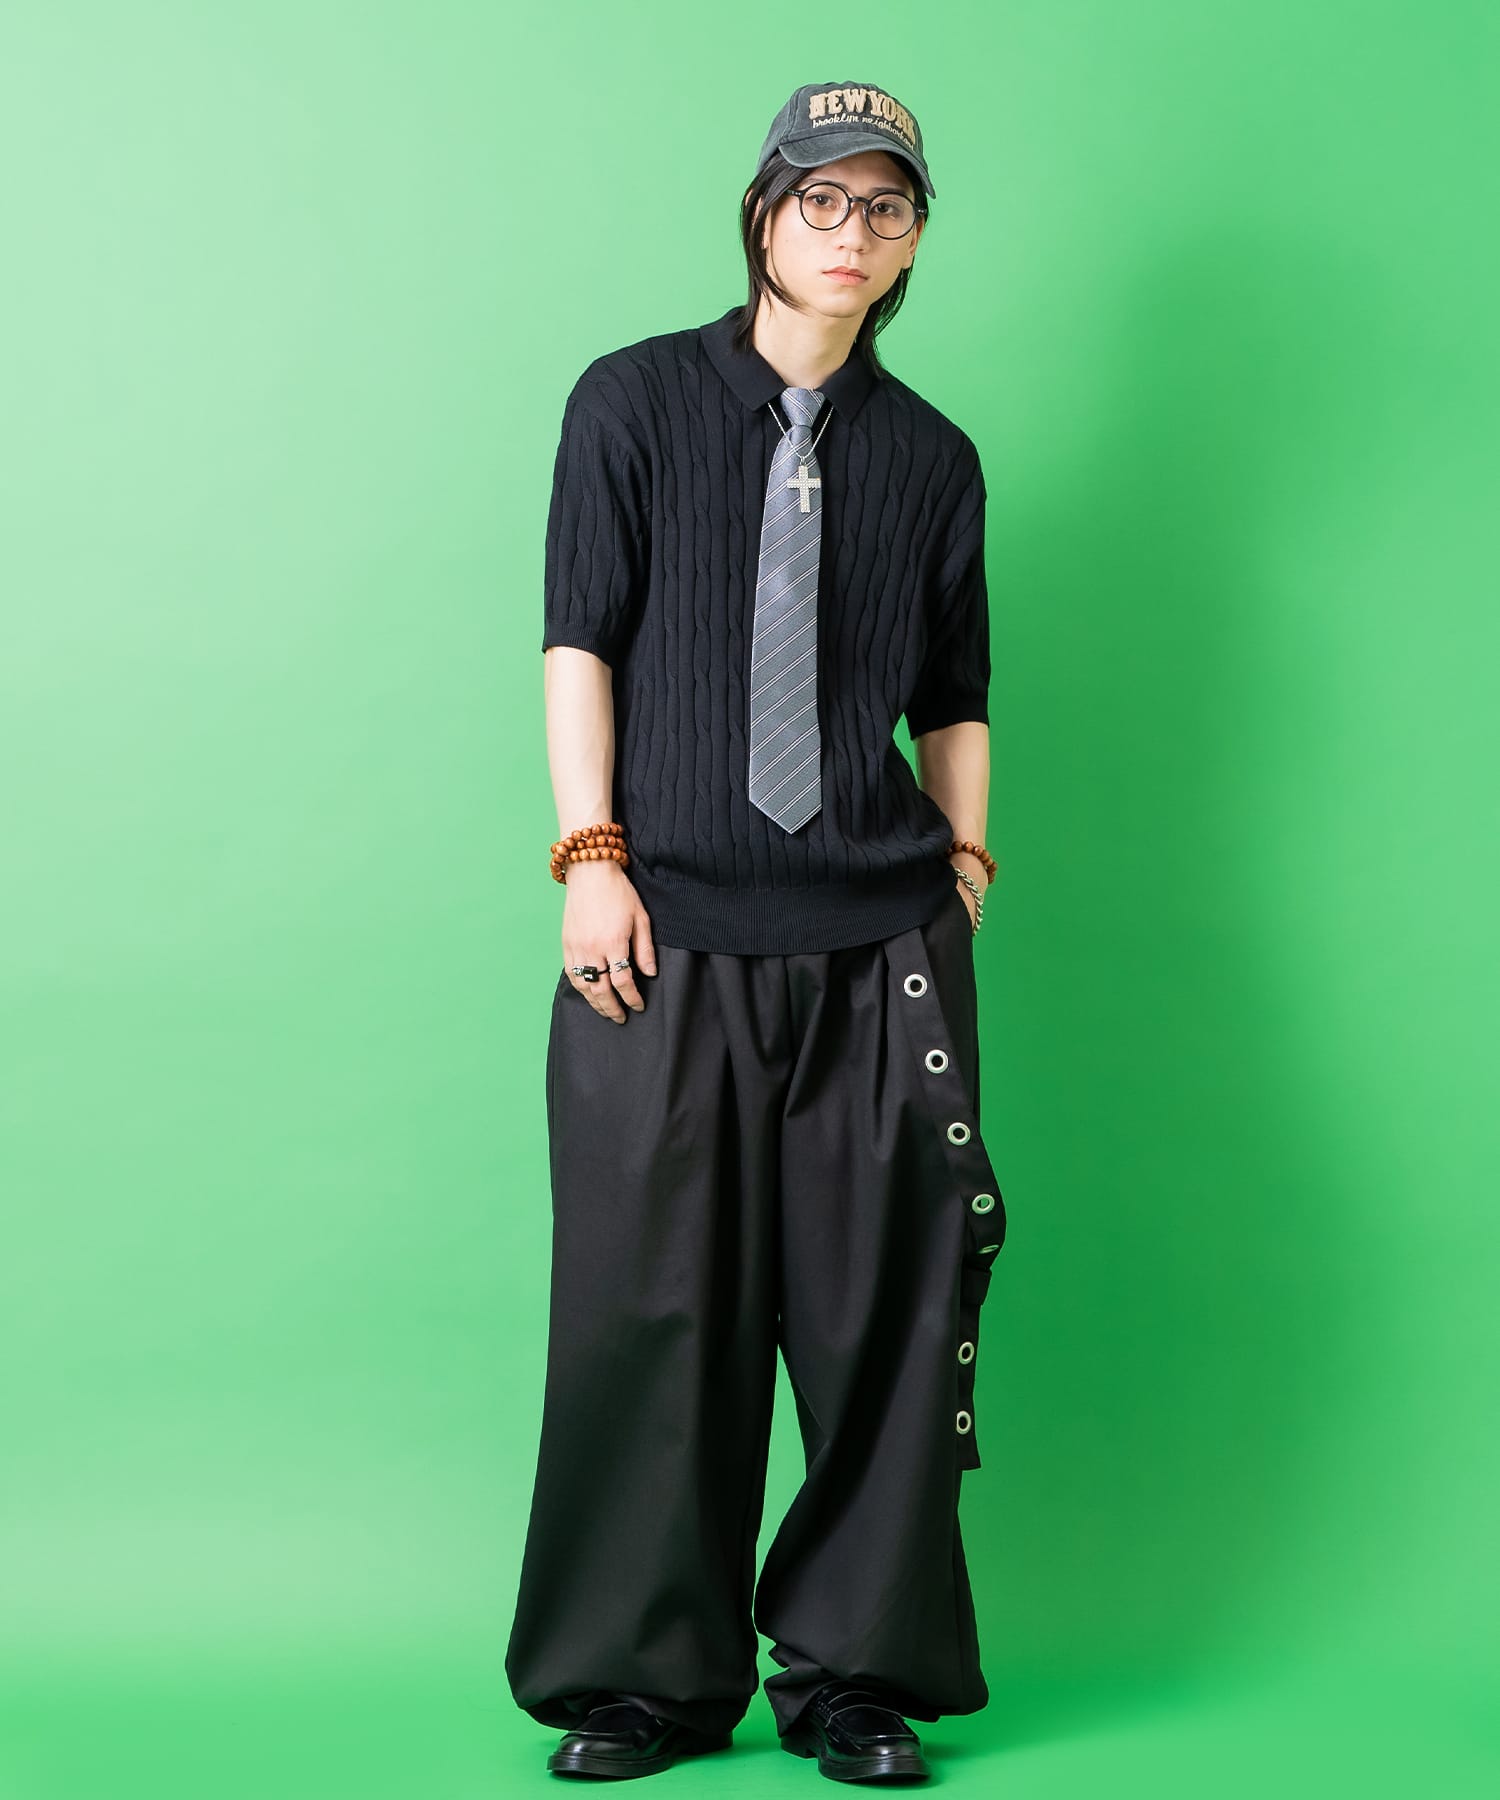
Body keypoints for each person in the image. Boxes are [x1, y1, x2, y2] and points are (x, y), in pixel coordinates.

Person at [505, 78, 1009, 1784]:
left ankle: (857, 1674)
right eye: (823, 199)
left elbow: (955, 691)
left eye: (887, 206)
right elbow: (581, 639)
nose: (852, 231)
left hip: (882, 950)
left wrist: (964, 860)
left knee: (881, 1322)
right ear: (763, 214)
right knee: (651, 1316)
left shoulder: (934, 459)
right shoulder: (632, 402)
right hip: (666, 938)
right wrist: (591, 853)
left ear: (914, 242)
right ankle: (642, 1680)